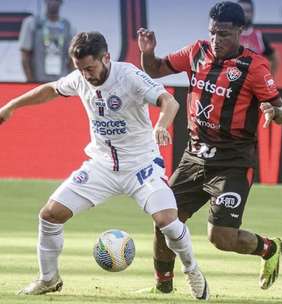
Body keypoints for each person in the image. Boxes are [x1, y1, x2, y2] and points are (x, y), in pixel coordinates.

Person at [0, 31, 209, 300]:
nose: (86, 75)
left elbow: (169, 101)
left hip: (141, 166)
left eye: (90, 67)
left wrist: (160, 125)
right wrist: (10, 106)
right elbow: (51, 90)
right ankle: (48, 279)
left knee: (167, 220)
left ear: (106, 58)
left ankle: (192, 271)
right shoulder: (79, 78)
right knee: (50, 215)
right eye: (80, 69)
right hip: (102, 166)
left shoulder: (129, 75)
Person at [137, 1, 282, 294]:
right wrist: (147, 54)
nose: (216, 40)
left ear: (239, 32)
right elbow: (155, 70)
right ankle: (163, 287)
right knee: (164, 218)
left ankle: (270, 248)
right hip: (194, 155)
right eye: (212, 33)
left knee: (221, 238)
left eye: (223, 34)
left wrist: (273, 111)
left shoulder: (255, 66)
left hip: (233, 162)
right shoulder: (196, 52)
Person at [19, 0, 75, 82]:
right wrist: (30, 81)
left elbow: (73, 58)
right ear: (45, 1)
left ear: (61, 2)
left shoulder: (68, 26)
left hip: (62, 82)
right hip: (38, 81)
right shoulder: (32, 23)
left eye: (56, 0)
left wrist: (70, 81)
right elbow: (25, 54)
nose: (53, 2)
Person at [238, 0, 279, 75]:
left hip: (254, 84)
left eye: (248, 11)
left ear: (253, 13)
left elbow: (274, 58)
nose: (245, 14)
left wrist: (270, 78)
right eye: (241, 10)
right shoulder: (230, 35)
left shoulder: (259, 36)